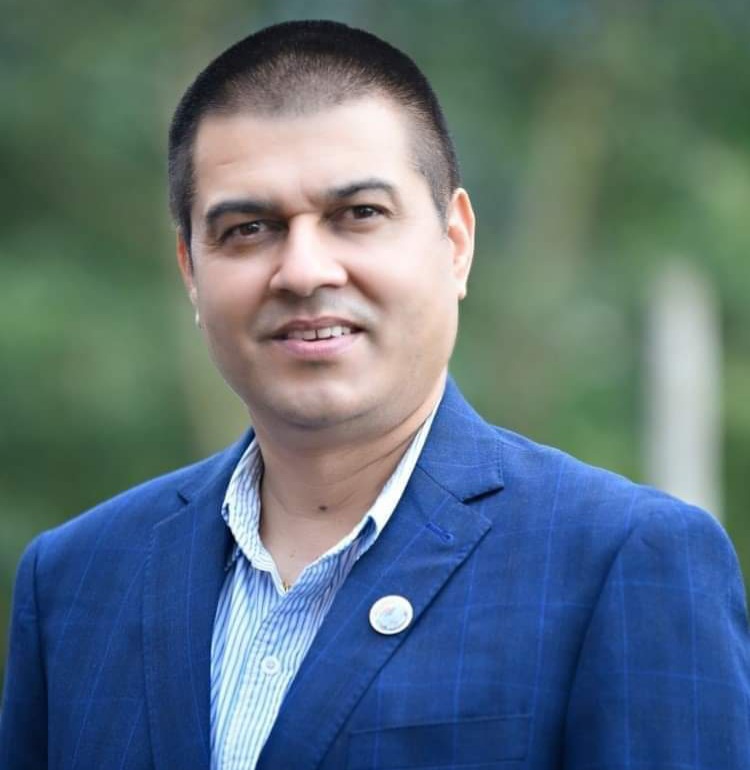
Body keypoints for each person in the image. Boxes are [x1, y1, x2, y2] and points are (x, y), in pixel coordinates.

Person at [1, 19, 748, 770]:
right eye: (249, 228)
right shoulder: (76, 581)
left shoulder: (621, 561)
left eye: (358, 215)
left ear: (455, 243)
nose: (303, 271)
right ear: (191, 271)